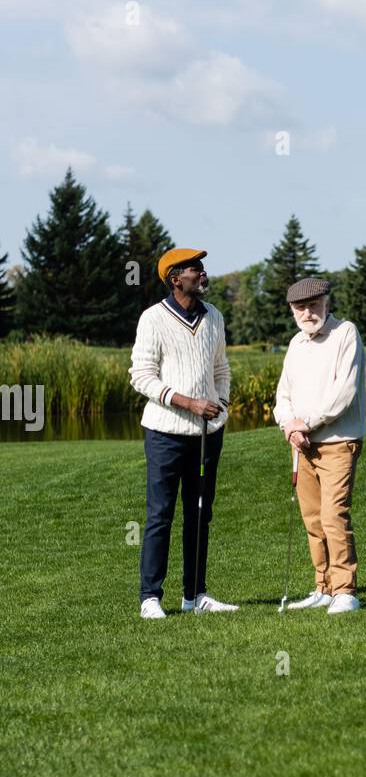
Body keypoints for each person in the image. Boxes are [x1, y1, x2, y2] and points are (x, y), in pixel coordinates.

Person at [130, 247, 238, 618]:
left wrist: (219, 403)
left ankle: (195, 596)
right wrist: (190, 403)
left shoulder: (215, 318)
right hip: (165, 433)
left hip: (209, 433)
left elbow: (221, 368)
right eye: (195, 269)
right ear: (175, 279)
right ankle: (150, 598)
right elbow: (141, 376)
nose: (203, 273)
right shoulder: (153, 319)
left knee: (199, 512)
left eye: (202, 267)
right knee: (161, 514)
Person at [273, 277, 366, 615]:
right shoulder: (296, 344)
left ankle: (345, 590)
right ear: (293, 310)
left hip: (339, 442)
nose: (307, 312)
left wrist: (306, 422)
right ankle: (323, 587)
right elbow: (282, 395)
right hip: (302, 444)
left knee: (333, 515)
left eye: (314, 305)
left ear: (327, 303)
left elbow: (344, 393)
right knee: (312, 519)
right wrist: (289, 426)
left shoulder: (345, 334)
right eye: (301, 307)